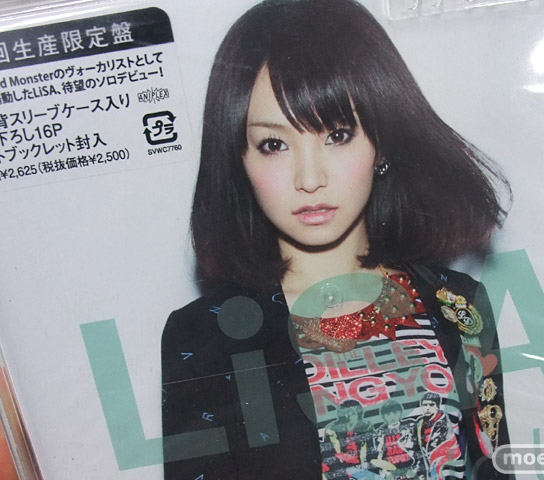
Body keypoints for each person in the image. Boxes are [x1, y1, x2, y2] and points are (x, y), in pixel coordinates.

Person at [161, 0, 512, 478]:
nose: (310, 178)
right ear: (239, 158)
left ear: (382, 142)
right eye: (274, 144)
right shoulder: (204, 338)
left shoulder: (460, 307)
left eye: (338, 134)